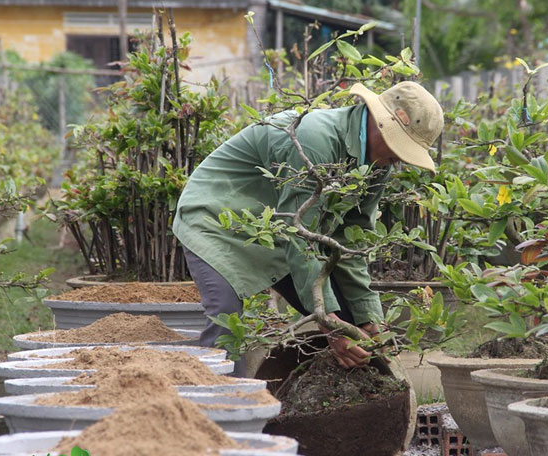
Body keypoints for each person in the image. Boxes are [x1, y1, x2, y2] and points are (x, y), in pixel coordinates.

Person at [172, 81, 444, 374]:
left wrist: (368, 317)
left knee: (352, 323)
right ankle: (220, 412)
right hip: (217, 218)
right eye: (401, 146)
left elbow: (350, 240)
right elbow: (299, 236)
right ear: (380, 122)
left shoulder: (377, 166)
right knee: (227, 323)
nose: (401, 158)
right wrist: (329, 324)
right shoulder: (317, 137)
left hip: (277, 231)